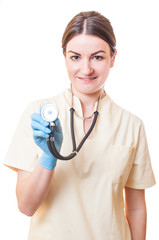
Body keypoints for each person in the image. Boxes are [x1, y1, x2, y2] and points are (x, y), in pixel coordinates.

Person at [4, 11, 155, 240]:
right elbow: (26, 207)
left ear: (113, 58)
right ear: (64, 56)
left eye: (97, 57)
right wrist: (48, 156)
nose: (86, 69)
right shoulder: (38, 115)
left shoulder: (132, 125)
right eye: (75, 57)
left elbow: (135, 208)